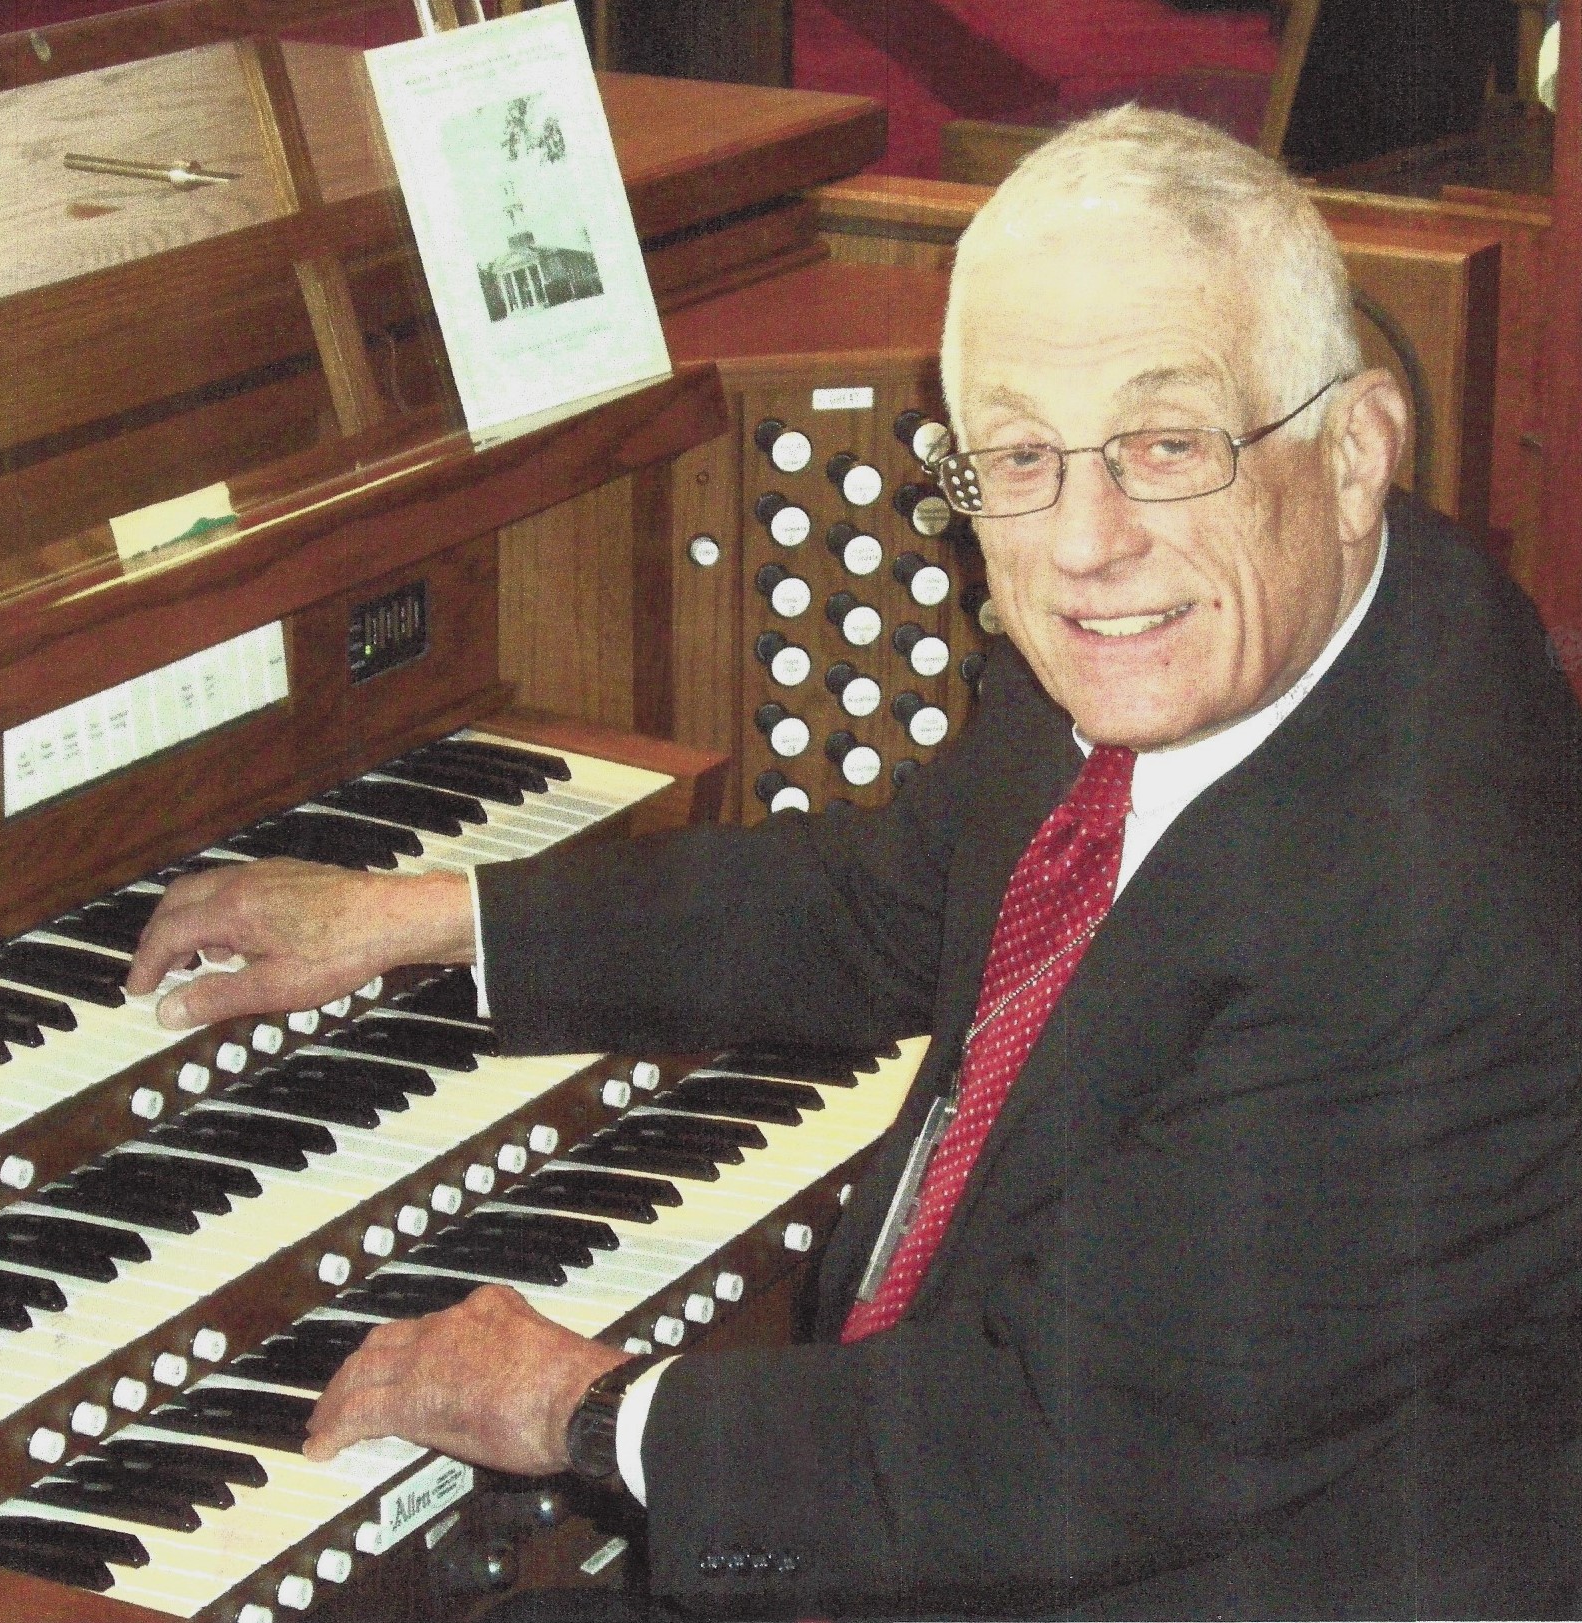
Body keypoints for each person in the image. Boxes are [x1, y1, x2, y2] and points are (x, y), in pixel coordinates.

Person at [126, 106, 1582, 1619]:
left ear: (1355, 451)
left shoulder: (1446, 917)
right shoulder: (1250, 642)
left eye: (1168, 444)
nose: (1085, 543)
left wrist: (578, 1404)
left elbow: (1038, 1456)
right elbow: (886, 897)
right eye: (1019, 454)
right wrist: (428, 918)